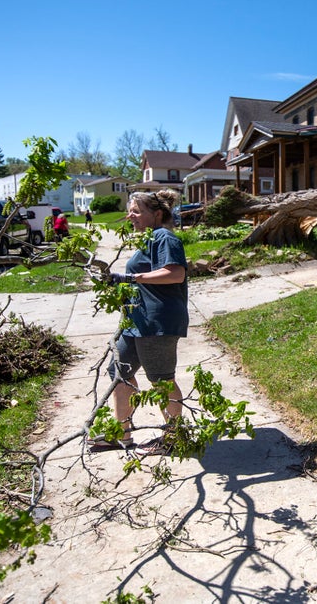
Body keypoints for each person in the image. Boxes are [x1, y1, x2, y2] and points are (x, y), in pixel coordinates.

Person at [102, 190, 188, 455]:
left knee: (161, 380)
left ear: (157, 214)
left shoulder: (164, 237)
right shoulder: (149, 238)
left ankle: (175, 437)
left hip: (156, 322)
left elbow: (175, 273)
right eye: (130, 211)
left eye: (137, 211)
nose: (131, 216)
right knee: (119, 373)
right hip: (135, 321)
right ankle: (121, 434)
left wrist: (131, 279)